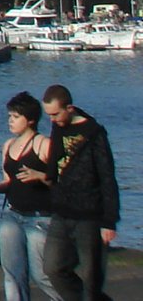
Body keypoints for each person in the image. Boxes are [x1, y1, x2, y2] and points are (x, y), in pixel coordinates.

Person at [40, 84, 118, 301]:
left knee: (92, 278)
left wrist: (109, 221)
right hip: (62, 212)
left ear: (70, 108)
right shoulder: (58, 128)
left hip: (89, 215)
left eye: (55, 114)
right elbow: (54, 168)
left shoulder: (94, 133)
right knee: (53, 268)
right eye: (49, 115)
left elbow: (107, 176)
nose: (52, 120)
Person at [0, 91, 60, 301]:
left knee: (41, 275)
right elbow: (10, 182)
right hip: (12, 215)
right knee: (12, 274)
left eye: (16, 117)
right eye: (10, 116)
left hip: (40, 217)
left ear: (31, 120)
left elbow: (62, 181)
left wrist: (40, 175)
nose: (11, 121)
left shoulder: (44, 144)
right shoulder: (8, 146)